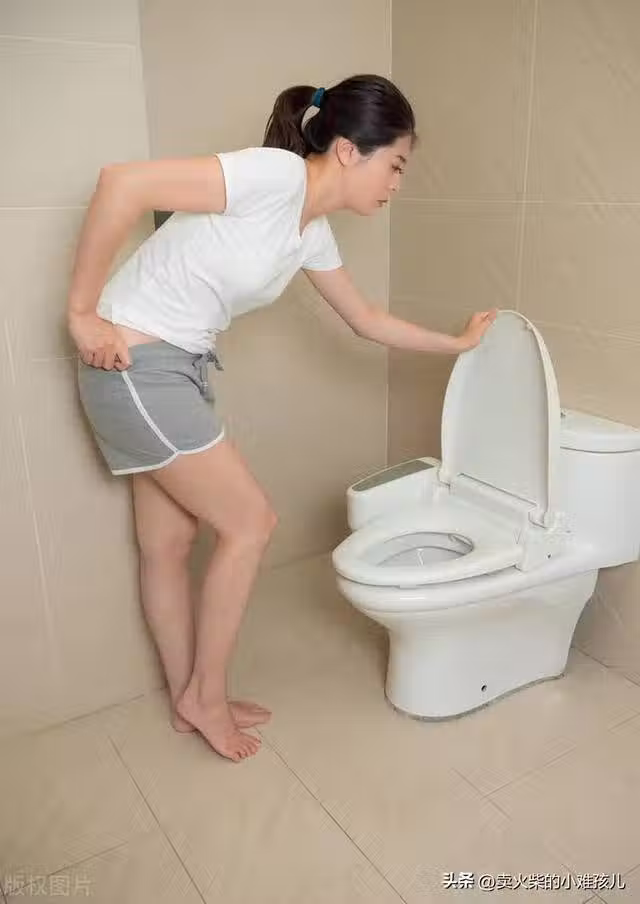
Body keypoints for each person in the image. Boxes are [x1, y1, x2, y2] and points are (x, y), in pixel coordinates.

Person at [67, 74, 496, 763]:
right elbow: (123, 183)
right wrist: (82, 313)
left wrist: (459, 344)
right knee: (251, 524)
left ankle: (188, 699)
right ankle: (206, 698)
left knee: (169, 545)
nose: (397, 183)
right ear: (350, 150)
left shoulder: (310, 233)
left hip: (174, 367)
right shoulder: (273, 175)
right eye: (395, 164)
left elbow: (366, 319)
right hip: (134, 364)